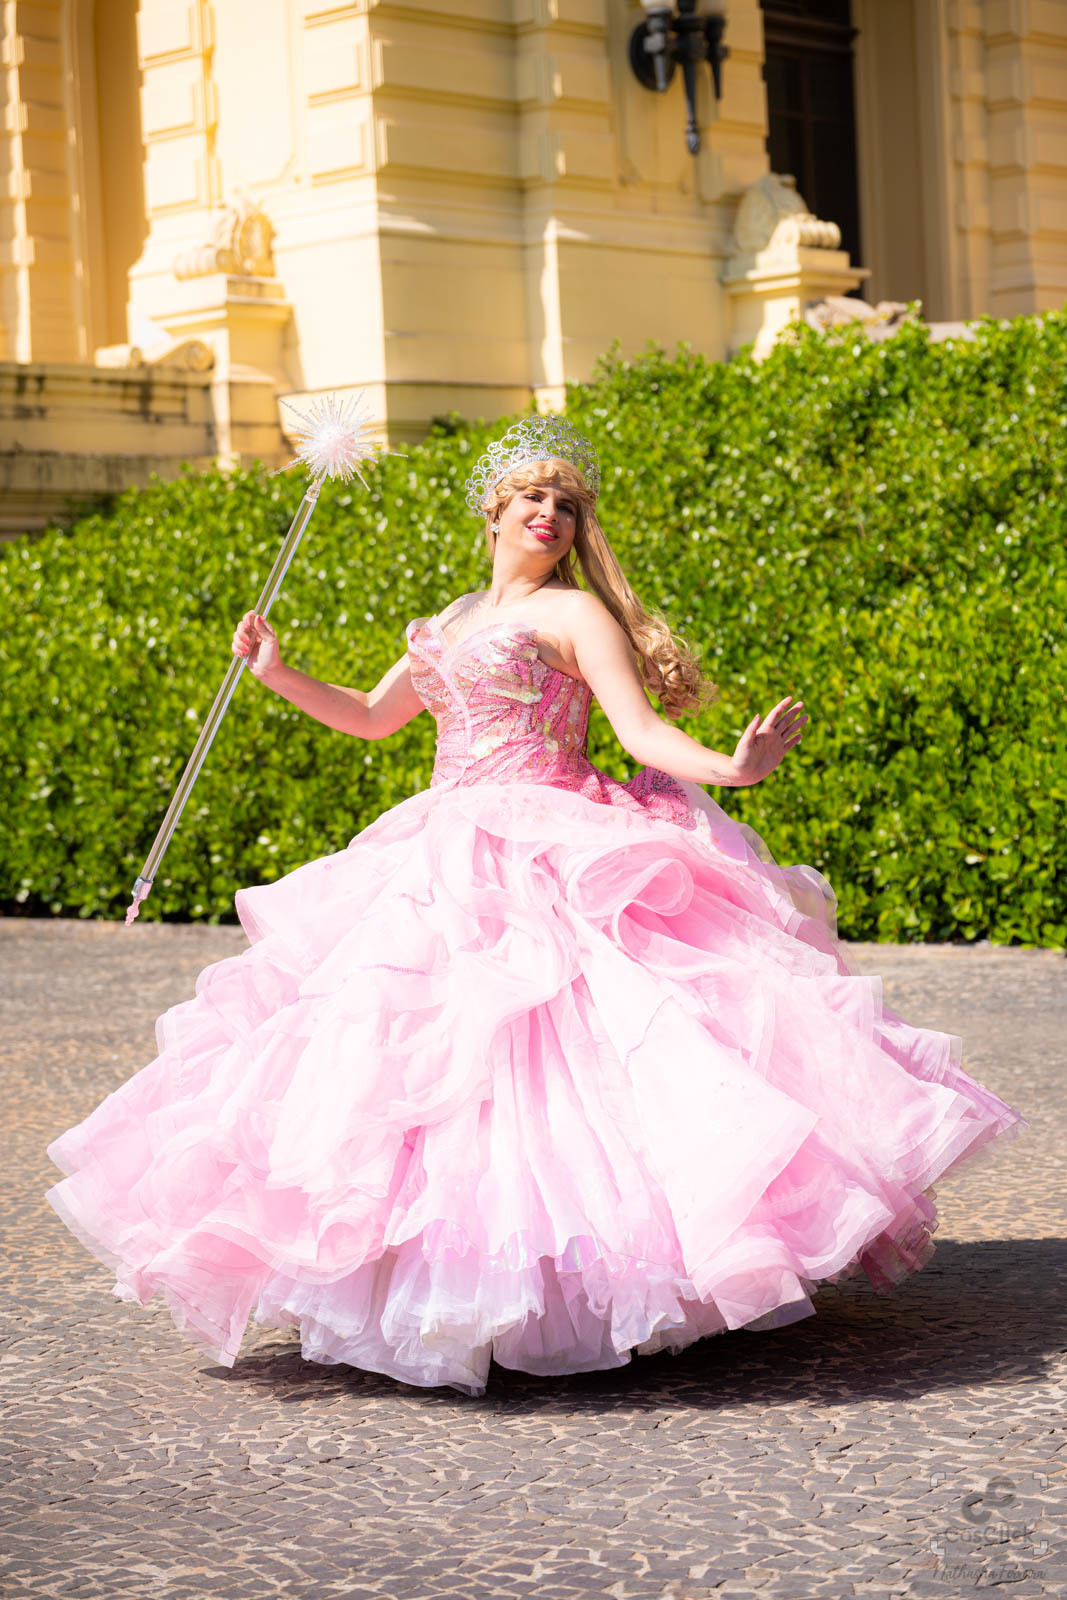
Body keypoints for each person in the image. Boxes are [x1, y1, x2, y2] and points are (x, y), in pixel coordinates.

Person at [45, 415, 1026, 1397]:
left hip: (552, 837)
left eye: (564, 503)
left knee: (569, 1057)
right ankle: (444, 1284)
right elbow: (373, 719)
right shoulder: (446, 619)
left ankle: (590, 1281)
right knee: (413, 1066)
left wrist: (731, 768)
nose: (548, 513)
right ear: (493, 511)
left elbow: (638, 734)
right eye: (531, 497)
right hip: (439, 845)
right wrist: (275, 671)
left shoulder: (576, 615)